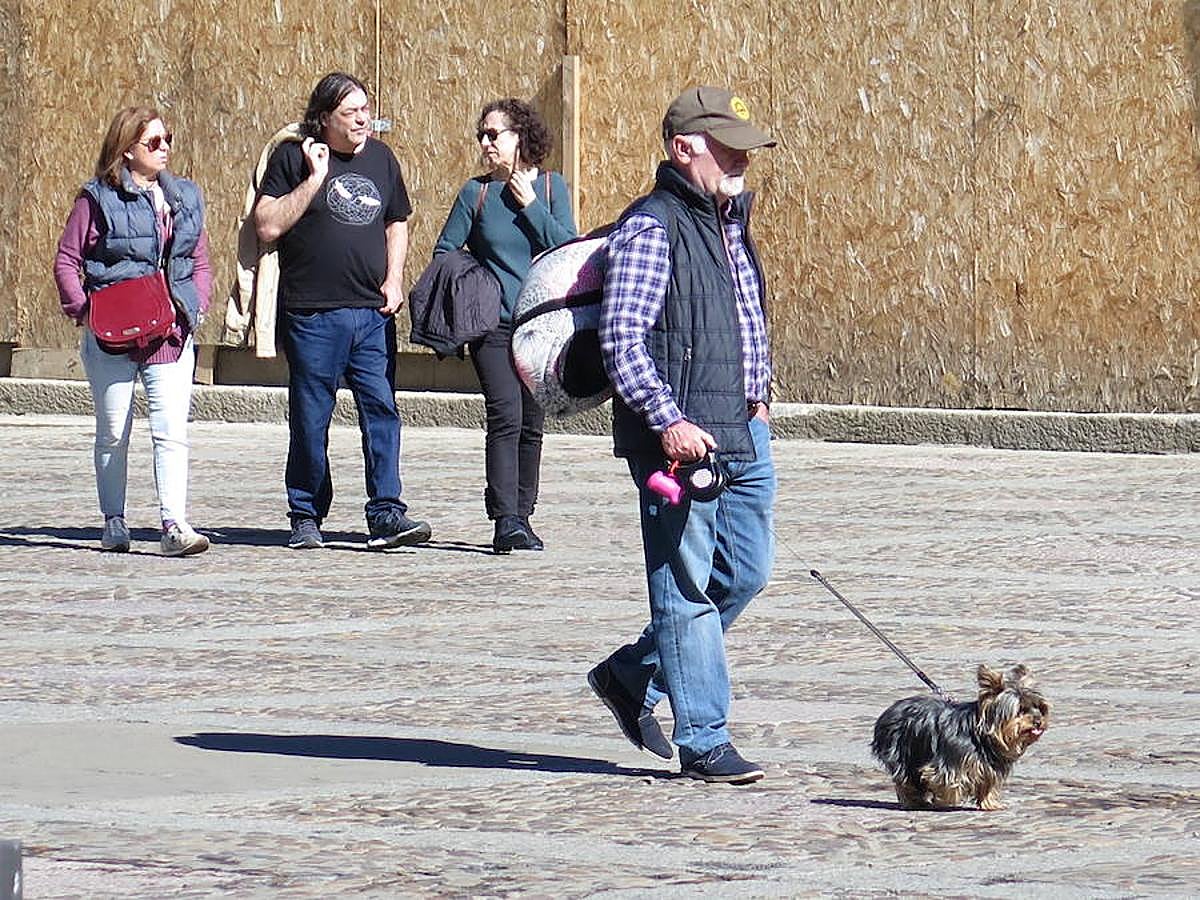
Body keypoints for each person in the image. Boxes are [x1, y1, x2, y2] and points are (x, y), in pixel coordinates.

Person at [588, 87, 777, 784]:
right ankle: (705, 739)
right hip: (680, 439)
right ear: (683, 148)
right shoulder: (652, 226)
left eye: (745, 147)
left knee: (746, 572)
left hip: (743, 430)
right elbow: (623, 338)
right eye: (727, 147)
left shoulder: (730, 223)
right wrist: (667, 419)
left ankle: (633, 672)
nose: (741, 159)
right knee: (685, 588)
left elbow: (744, 322)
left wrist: (760, 398)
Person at [254, 72, 431, 550]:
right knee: (311, 419)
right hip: (313, 314)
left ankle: (387, 513)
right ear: (324, 118)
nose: (362, 120)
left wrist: (394, 279)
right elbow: (267, 225)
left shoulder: (381, 158)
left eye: (365, 110)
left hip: (372, 314)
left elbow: (396, 222)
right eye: (350, 112)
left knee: (382, 411)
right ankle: (306, 513)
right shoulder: (293, 158)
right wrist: (315, 178)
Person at [54, 105, 212, 557]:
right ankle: (114, 521)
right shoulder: (96, 198)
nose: (164, 149)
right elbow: (67, 260)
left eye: (167, 140)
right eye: (153, 142)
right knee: (113, 431)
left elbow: (199, 259)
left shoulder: (184, 196)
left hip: (169, 332)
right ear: (127, 150)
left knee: (171, 431)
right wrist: (85, 311)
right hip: (111, 334)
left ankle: (174, 525)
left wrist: (195, 305)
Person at [433, 99, 576, 553]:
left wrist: (531, 205)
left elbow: (568, 248)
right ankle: (504, 519)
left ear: (520, 137)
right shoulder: (474, 194)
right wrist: (478, 284)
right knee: (506, 414)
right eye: (482, 134)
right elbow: (445, 253)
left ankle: (523, 515)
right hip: (492, 327)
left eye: (494, 134)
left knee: (532, 422)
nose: (485, 142)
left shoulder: (551, 188)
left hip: (541, 330)